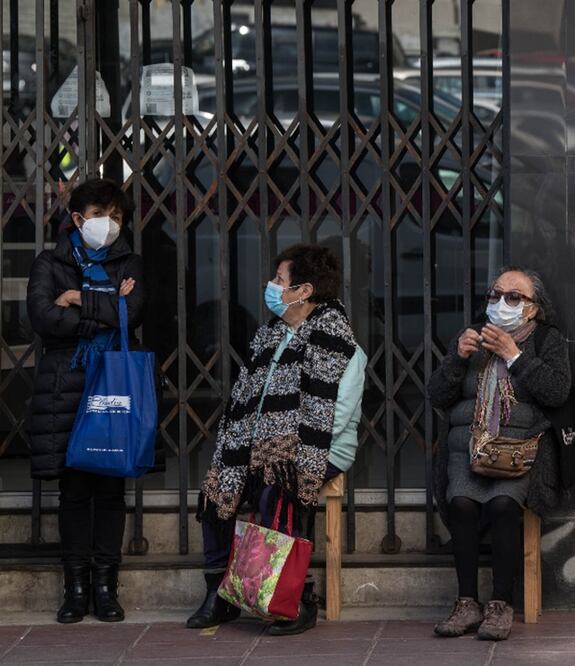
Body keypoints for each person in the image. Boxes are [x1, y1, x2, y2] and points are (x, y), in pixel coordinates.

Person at [185, 244, 366, 636]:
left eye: (279, 280)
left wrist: (288, 451)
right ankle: (219, 592)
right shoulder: (271, 333)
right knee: (219, 487)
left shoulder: (338, 342)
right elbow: (247, 398)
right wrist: (253, 447)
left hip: (320, 448)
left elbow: (335, 418)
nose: (271, 286)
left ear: (302, 291)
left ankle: (296, 598)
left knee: (276, 489)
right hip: (260, 443)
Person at [428, 267, 570, 641]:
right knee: (461, 504)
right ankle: (466, 602)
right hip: (466, 450)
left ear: (532, 309)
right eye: (495, 295)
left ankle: (501, 604)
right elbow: (438, 397)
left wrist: (515, 356)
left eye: (513, 297)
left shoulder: (547, 340)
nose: (500, 303)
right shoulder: (470, 337)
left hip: (520, 452)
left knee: (504, 507)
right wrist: (457, 359)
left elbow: (557, 393)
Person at [26, 179, 145, 624]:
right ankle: (75, 589)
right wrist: (109, 304)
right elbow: (42, 317)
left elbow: (137, 312)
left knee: (111, 487)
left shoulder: (129, 261)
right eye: (101, 214)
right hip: (66, 386)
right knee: (74, 490)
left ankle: (106, 587)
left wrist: (77, 298)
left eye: (117, 216)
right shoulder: (49, 262)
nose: (109, 224)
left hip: (113, 381)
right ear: (78, 218)